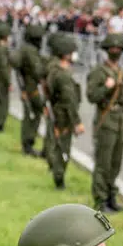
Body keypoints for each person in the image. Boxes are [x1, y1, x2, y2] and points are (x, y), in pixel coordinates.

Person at [86, 34, 123, 214]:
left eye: (119, 49)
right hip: (106, 119)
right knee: (103, 162)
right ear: (107, 50)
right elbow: (91, 96)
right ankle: (100, 199)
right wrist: (107, 87)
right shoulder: (99, 71)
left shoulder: (121, 71)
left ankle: (111, 196)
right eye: (113, 48)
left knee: (115, 162)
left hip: (120, 119)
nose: (116, 51)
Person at [46, 33, 84, 191]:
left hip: (57, 111)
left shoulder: (54, 69)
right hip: (63, 115)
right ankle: (59, 179)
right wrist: (77, 122)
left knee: (57, 144)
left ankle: (57, 172)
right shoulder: (63, 75)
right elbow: (69, 100)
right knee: (63, 147)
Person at [15, 24, 49, 157]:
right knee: (34, 114)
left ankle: (27, 143)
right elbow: (37, 70)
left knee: (31, 115)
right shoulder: (31, 51)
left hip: (28, 86)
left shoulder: (24, 49)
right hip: (33, 87)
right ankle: (28, 143)